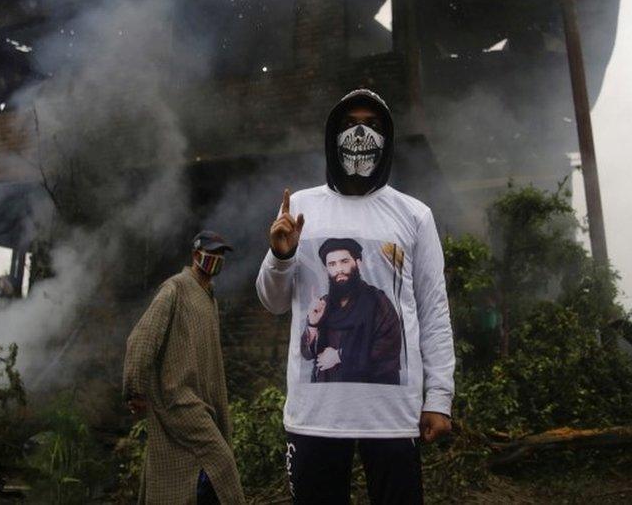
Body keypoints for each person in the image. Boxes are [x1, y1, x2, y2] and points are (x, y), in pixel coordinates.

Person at [255, 89, 454, 504]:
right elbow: (272, 302)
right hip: (316, 416)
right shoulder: (301, 209)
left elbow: (433, 310)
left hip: (392, 416)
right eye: (349, 125)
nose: (361, 134)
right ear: (331, 137)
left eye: (373, 125)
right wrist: (281, 254)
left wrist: (439, 396)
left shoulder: (413, 214)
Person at [124, 230, 245, 505]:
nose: (215, 259)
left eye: (220, 255)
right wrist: (135, 389)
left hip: (200, 402)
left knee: (180, 470)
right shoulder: (175, 288)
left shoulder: (208, 297)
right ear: (195, 255)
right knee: (221, 461)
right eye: (211, 252)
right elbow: (142, 337)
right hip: (178, 399)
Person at [300, 238, 402, 384]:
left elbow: (389, 346)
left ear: (358, 263)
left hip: (369, 393)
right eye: (332, 264)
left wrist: (340, 356)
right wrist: (313, 324)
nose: (339, 269)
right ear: (327, 270)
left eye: (344, 261)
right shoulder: (323, 304)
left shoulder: (378, 301)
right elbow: (307, 354)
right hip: (327, 394)